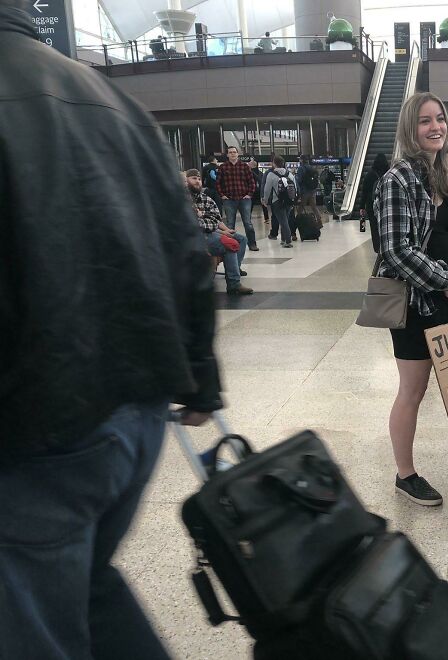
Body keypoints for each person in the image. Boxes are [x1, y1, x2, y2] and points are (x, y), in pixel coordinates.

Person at [0, 4, 223, 657]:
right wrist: (201, 380)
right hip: (140, 412)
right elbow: (188, 250)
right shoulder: (110, 97)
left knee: (35, 626)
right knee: (90, 587)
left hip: (42, 431)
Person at [375, 92, 448, 507]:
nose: (435, 126)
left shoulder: (445, 179)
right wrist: (443, 279)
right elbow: (395, 250)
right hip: (416, 306)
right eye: (424, 121)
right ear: (409, 129)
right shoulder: (397, 179)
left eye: (440, 118)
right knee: (413, 391)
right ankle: (406, 475)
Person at [188, 169, 253, 292]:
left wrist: (201, 218)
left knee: (235, 241)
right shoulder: (182, 199)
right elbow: (188, 223)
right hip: (191, 237)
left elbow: (215, 220)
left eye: (199, 179)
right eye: (193, 178)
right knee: (230, 244)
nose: (197, 181)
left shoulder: (206, 199)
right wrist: (203, 220)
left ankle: (234, 278)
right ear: (186, 181)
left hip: (208, 234)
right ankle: (233, 281)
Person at [216, 145, 258, 250]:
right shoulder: (223, 167)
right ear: (227, 155)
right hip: (229, 199)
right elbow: (218, 183)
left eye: (234, 152)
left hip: (244, 198)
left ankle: (252, 244)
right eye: (230, 152)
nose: (232, 154)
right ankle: (231, 245)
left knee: (248, 223)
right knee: (230, 224)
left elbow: (252, 182)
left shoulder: (245, 166)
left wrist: (249, 194)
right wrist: (222, 195)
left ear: (237, 154)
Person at [262, 155, 297, 247]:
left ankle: (288, 241)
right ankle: (283, 239)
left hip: (277, 201)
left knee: (283, 221)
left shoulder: (271, 174)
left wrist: (265, 200)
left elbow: (267, 189)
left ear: (274, 163)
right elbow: (295, 187)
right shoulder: (290, 174)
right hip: (289, 201)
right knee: (285, 219)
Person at [361, 153, 389, 253]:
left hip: (371, 206)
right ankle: (386, 247)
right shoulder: (388, 174)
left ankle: (377, 248)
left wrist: (361, 207)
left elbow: (364, 192)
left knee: (374, 227)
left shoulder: (370, 175)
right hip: (385, 205)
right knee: (386, 227)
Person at [296, 158, 323, 225]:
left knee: (302, 206)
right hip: (312, 190)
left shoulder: (301, 168)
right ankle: (319, 220)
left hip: (304, 190)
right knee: (314, 206)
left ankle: (296, 221)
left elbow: (299, 180)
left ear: (302, 161)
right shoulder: (311, 168)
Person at [248, 158, 270, 226]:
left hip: (253, 190)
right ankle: (267, 219)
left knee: (250, 205)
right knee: (263, 205)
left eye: (249, 164)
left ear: (252, 165)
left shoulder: (250, 172)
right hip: (260, 190)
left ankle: (248, 219)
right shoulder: (260, 172)